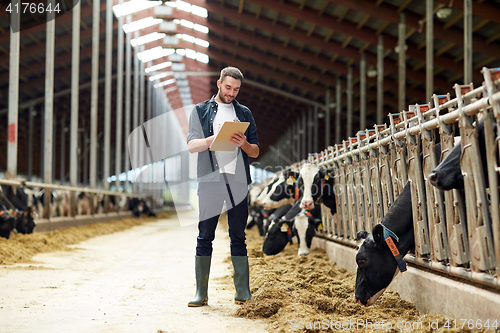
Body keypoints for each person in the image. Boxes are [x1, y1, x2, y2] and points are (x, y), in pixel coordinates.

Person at [186, 67, 260, 307]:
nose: (231, 93)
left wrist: (244, 144)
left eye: (236, 89)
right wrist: (212, 139)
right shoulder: (200, 111)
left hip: (237, 181)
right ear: (219, 83)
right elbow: (191, 146)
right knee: (205, 235)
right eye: (228, 87)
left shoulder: (244, 112)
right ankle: (201, 293)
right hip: (210, 181)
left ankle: (242, 291)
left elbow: (256, 151)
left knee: (238, 235)